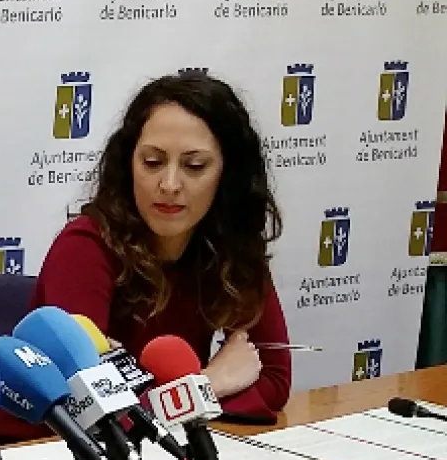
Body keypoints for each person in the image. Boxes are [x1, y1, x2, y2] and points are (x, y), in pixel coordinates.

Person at [28, 70, 291, 427]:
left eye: (194, 166)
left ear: (227, 174)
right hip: (51, 451)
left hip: (167, 447)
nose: (169, 184)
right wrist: (208, 385)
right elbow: (92, 411)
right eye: (152, 162)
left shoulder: (231, 245)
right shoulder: (85, 248)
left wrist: (180, 398)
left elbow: (273, 381)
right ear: (129, 163)